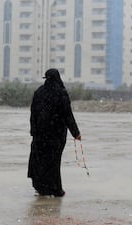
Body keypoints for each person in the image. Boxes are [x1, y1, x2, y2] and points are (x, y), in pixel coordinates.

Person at [28, 68, 81, 197]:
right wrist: (76, 133)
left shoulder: (39, 93)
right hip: (56, 135)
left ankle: (41, 187)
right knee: (53, 161)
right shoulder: (61, 94)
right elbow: (68, 115)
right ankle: (55, 189)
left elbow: (33, 114)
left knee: (40, 161)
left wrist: (33, 131)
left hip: (40, 135)